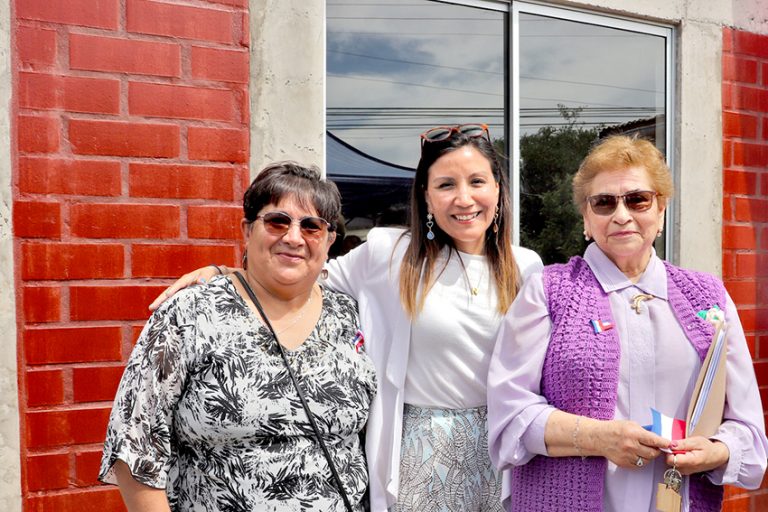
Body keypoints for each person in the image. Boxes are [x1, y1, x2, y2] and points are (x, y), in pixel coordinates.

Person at [149, 124, 543, 511]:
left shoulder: (526, 267)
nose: (464, 198)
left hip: (501, 446)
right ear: (426, 196)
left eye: (477, 182)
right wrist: (226, 274)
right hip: (421, 451)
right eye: (445, 185)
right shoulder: (390, 254)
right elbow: (300, 271)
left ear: (497, 189)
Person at [487, 135, 767, 512]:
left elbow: (748, 432)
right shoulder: (548, 292)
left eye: (637, 199)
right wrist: (599, 438)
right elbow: (509, 419)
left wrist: (716, 451)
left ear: (661, 210)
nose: (622, 215)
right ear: (586, 218)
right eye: (603, 203)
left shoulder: (707, 296)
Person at [99, 162, 376, 511]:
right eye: (277, 221)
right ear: (247, 229)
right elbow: (134, 446)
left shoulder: (351, 315)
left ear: (330, 239)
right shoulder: (190, 314)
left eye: (311, 226)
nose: (293, 237)